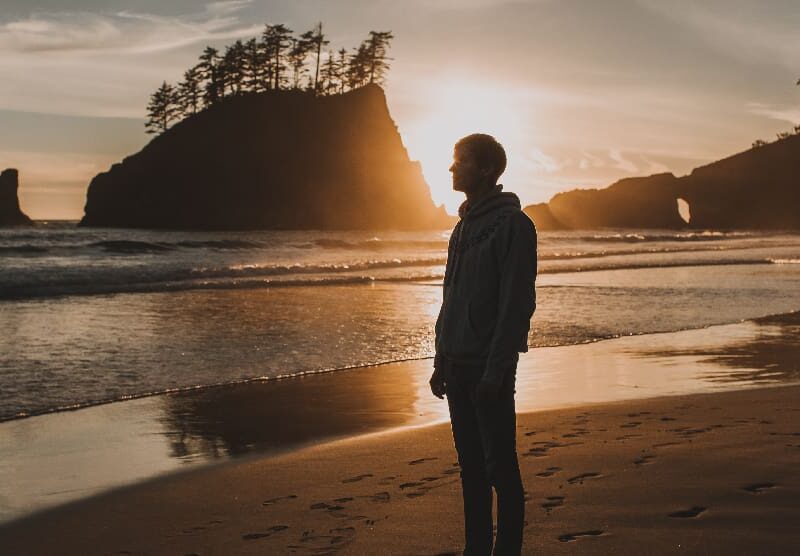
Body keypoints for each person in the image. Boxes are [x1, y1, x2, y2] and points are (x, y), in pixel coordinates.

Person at [430, 133, 537, 555]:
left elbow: (516, 305)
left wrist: (496, 370)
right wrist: (440, 360)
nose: (453, 168)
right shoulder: (461, 227)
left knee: (500, 470)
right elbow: (450, 296)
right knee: (470, 471)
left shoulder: (514, 226)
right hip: (456, 365)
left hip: (488, 369)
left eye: (461, 161)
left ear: (487, 169)